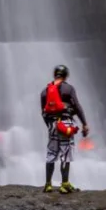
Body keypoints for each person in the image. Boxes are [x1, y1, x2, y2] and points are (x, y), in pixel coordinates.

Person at [40, 64, 89, 194]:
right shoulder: (69, 89)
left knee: (51, 153)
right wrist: (84, 123)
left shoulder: (45, 91)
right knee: (65, 154)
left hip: (52, 125)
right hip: (66, 125)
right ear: (66, 76)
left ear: (54, 75)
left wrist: (51, 125)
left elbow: (43, 113)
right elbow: (77, 106)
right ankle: (64, 184)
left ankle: (48, 184)